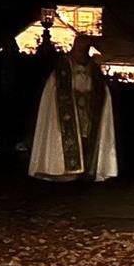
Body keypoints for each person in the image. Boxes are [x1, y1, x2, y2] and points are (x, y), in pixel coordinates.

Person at [28, 35, 118, 182]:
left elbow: (101, 88)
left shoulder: (93, 68)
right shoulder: (62, 67)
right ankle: (63, 169)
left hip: (88, 110)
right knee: (69, 138)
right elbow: (54, 90)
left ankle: (87, 169)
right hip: (68, 110)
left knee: (87, 138)